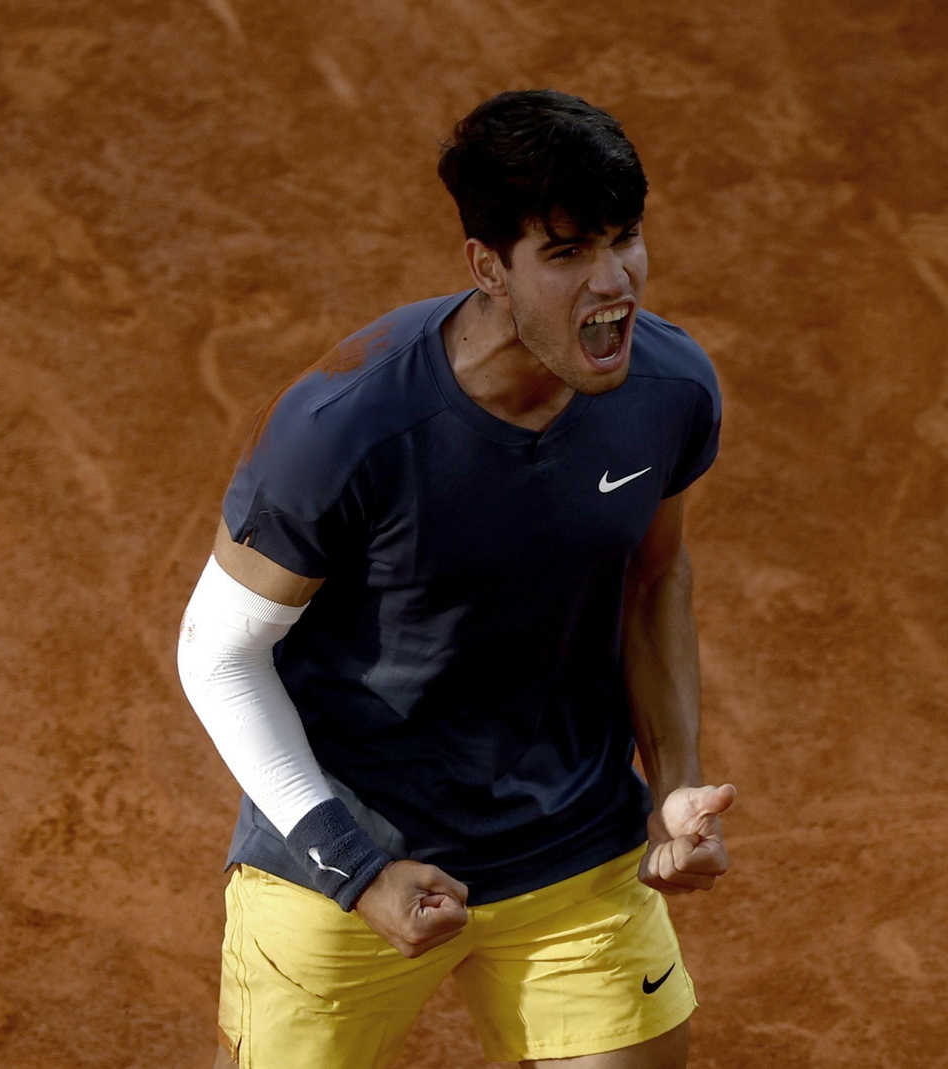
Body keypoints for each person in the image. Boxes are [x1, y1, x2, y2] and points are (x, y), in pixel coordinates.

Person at [176, 88, 735, 1069]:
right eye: (565, 255)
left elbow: (654, 578)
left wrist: (676, 785)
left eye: (624, 238)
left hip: (570, 849)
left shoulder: (668, 391)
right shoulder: (346, 430)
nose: (613, 284)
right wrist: (355, 866)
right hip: (346, 857)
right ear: (487, 267)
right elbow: (217, 654)